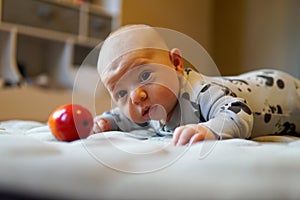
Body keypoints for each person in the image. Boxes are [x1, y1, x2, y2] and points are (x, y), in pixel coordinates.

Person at [93, 24, 300, 146]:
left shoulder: (199, 91)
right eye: (121, 92)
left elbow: (238, 112)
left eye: (145, 75)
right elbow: (124, 118)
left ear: (176, 64)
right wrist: (105, 122)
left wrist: (209, 130)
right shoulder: (151, 109)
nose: (136, 97)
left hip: (285, 94)